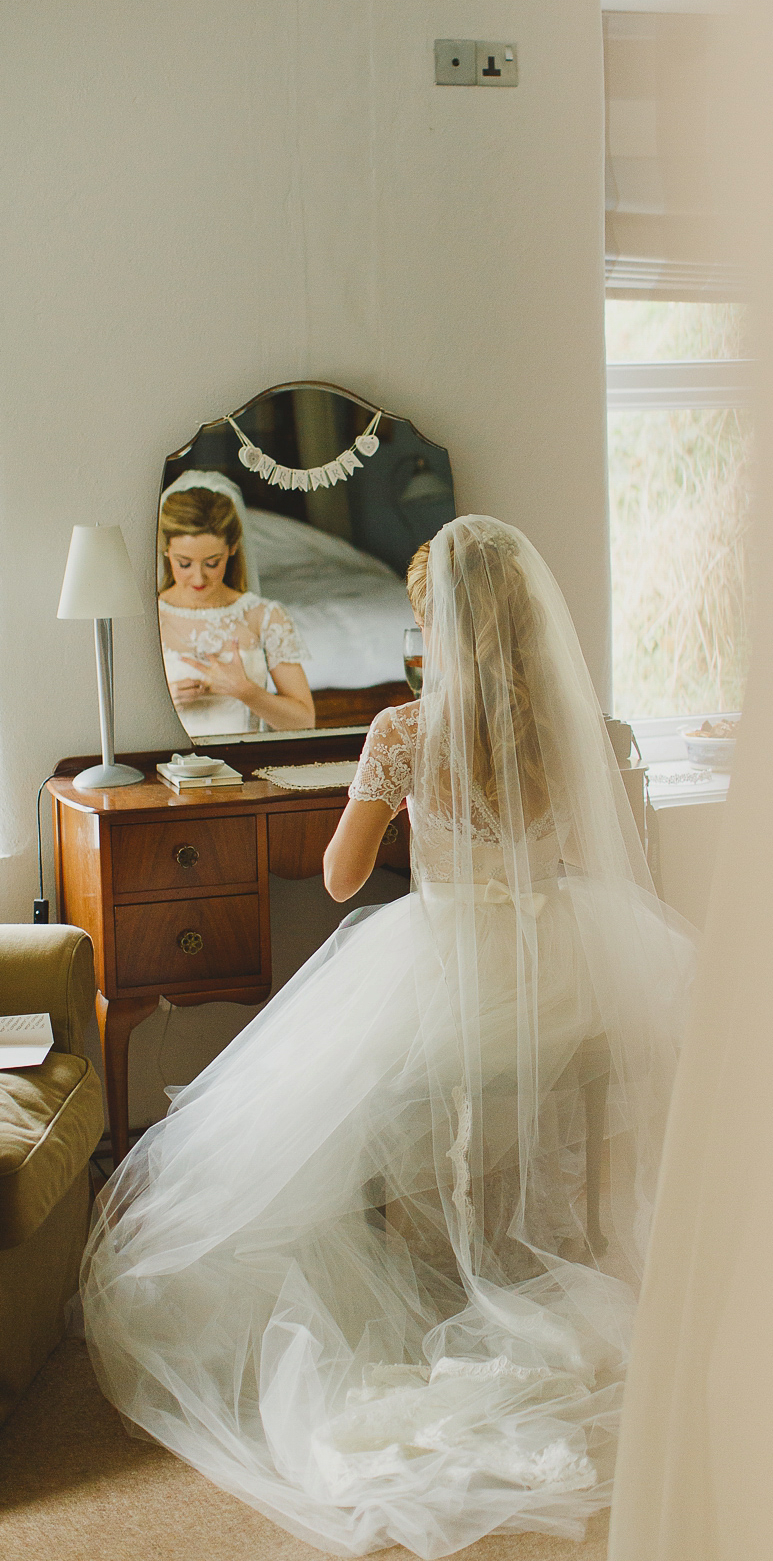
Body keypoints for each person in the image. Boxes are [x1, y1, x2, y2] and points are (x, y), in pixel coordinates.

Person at [81, 516, 695, 1559]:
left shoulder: (405, 731)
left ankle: (418, 1260)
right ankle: (531, 1244)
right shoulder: (571, 726)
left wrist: (389, 805)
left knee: (333, 1082)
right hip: (564, 977)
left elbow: (339, 881)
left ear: (437, 624)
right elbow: (604, 848)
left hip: (456, 969)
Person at [157, 476, 315, 737]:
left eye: (211, 563)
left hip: (248, 769)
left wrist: (244, 690)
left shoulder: (265, 617)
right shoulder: (147, 619)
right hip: (171, 771)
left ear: (231, 549)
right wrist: (166, 702)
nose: (198, 578)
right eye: (184, 563)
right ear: (166, 551)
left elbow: (304, 723)